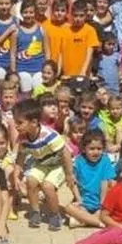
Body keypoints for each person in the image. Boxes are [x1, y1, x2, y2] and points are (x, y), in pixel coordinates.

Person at [15, 98, 74, 231]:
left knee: (48, 186)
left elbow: (65, 153)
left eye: (20, 122)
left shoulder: (49, 135)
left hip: (59, 165)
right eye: (15, 122)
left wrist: (69, 174)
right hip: (41, 164)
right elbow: (21, 156)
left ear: (34, 122)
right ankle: (35, 212)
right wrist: (16, 175)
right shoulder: (23, 137)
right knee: (30, 181)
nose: (16, 126)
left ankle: (55, 215)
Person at [15, 0, 48, 93]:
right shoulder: (17, 31)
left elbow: (47, 51)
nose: (28, 15)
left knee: (39, 93)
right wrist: (13, 72)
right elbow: (13, 53)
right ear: (21, 13)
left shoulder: (41, 30)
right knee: (26, 92)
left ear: (35, 13)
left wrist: (48, 68)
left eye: (31, 12)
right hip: (22, 69)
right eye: (25, 12)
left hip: (39, 69)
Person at [61, 0, 100, 78]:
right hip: (67, 74)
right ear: (71, 15)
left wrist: (83, 71)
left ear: (86, 15)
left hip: (83, 74)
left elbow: (89, 53)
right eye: (75, 15)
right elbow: (61, 53)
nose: (78, 19)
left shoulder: (90, 30)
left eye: (81, 16)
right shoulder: (65, 29)